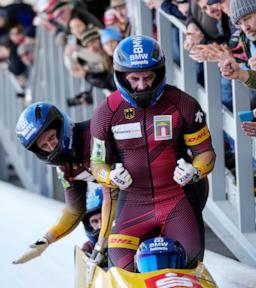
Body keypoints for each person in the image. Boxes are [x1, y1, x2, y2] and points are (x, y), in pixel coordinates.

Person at [90, 35, 216, 271]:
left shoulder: (183, 105)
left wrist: (195, 171)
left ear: (159, 73)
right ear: (121, 76)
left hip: (176, 201)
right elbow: (97, 163)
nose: (142, 86)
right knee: (122, 267)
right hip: (133, 204)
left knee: (188, 263)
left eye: (148, 77)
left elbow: (206, 153)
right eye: (134, 79)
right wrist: (109, 177)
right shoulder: (106, 114)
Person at [12, 102, 117, 265]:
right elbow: (74, 210)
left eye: (51, 138)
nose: (51, 147)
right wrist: (45, 240)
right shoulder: (64, 167)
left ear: (61, 127)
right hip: (129, 196)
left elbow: (111, 193)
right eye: (44, 146)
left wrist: (101, 246)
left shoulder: (93, 135)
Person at [82, 186, 103, 254]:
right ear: (89, 225)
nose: (100, 226)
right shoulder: (88, 249)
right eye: (94, 221)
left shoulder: (130, 238)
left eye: (104, 219)